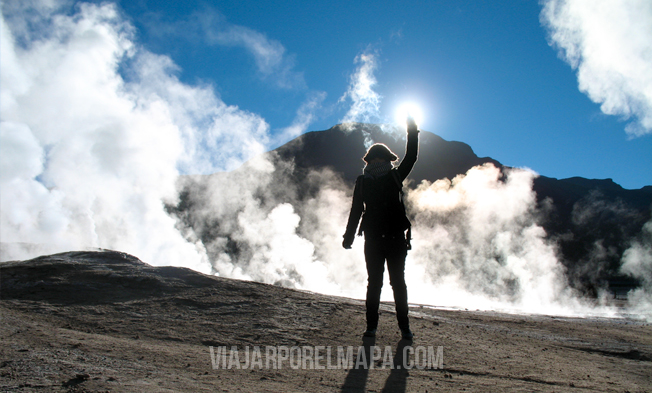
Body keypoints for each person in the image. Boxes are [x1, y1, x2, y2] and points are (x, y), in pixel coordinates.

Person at [342, 116, 420, 340]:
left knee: (378, 283)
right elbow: (356, 210)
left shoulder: (368, 180)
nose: (373, 162)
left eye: (374, 159)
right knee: (395, 284)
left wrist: (349, 237)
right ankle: (401, 329)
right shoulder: (382, 177)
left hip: (378, 239)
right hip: (390, 239)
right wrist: (412, 130)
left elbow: (356, 210)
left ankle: (375, 328)